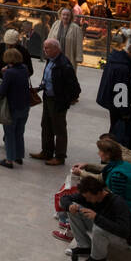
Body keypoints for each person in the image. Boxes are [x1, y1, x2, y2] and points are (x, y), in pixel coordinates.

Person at [30, 38, 81, 166]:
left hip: (58, 101)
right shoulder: (50, 61)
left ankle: (59, 156)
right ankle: (46, 152)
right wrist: (40, 88)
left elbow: (75, 88)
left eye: (47, 48)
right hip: (48, 97)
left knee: (59, 129)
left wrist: (66, 100)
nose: (44, 50)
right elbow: (48, 79)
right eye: (44, 47)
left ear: (56, 49)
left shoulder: (64, 65)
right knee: (46, 125)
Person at [65, 175, 131, 261]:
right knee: (74, 209)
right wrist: (69, 206)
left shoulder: (117, 202)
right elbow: (64, 199)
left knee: (99, 228)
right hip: (103, 227)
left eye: (89, 197)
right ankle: (84, 246)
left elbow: (124, 231)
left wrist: (97, 217)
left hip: (123, 239)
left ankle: (98, 259)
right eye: (86, 197)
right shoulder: (88, 195)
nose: (87, 200)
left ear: (98, 193)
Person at [97, 42, 131, 149]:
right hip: (117, 105)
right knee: (118, 130)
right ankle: (112, 151)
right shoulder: (122, 68)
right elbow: (120, 91)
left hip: (112, 101)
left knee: (115, 127)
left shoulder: (117, 60)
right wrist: (125, 112)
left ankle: (110, 150)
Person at [0, 48, 31, 169]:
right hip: (25, 106)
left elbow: (2, 90)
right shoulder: (24, 69)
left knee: (9, 133)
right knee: (19, 132)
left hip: (13, 107)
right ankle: (18, 156)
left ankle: (9, 159)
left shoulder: (9, 73)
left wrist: (4, 73)